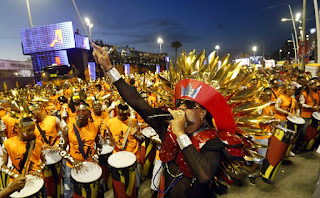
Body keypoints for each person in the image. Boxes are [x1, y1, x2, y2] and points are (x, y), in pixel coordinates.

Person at [93, 44, 243, 197]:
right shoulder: (166, 127)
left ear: (202, 113)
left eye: (189, 105)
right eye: (180, 103)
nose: (182, 107)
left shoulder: (212, 141)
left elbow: (204, 175)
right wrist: (109, 68)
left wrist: (181, 134)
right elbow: (136, 101)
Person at [59, 104, 102, 198]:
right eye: (78, 111)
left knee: (92, 192)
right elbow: (61, 149)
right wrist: (73, 160)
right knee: (69, 193)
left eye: (84, 111)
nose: (80, 113)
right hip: (71, 165)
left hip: (90, 164)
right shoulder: (67, 129)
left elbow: (99, 145)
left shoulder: (95, 127)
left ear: (89, 114)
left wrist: (96, 155)